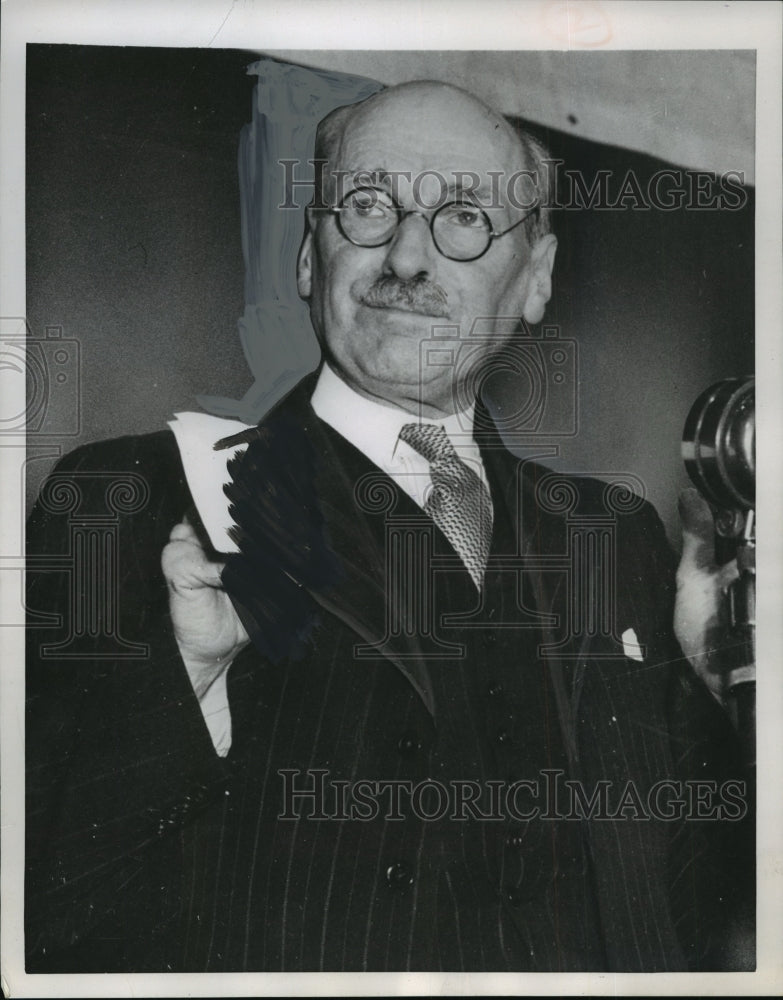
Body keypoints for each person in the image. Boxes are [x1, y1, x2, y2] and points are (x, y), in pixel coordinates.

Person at [25, 80, 753, 973]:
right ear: (307, 258)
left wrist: (729, 688)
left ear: (536, 278)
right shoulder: (132, 496)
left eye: (463, 217)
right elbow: (45, 909)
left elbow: (704, 919)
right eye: (368, 206)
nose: (407, 256)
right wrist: (193, 674)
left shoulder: (614, 536)